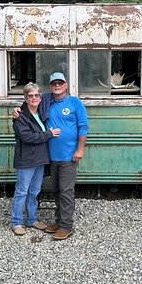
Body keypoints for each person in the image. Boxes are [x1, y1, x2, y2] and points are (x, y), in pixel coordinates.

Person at [39, 73, 89, 240]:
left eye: (60, 83)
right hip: (52, 156)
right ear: (50, 86)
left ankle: (67, 226)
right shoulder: (46, 101)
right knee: (56, 190)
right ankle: (59, 221)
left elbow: (83, 127)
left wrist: (79, 150)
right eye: (54, 83)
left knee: (66, 191)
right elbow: (29, 104)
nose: (57, 86)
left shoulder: (75, 102)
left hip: (69, 156)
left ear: (66, 85)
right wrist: (17, 110)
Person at [11, 82, 61, 236]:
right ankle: (16, 222)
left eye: (36, 95)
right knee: (22, 192)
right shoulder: (20, 117)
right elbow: (27, 137)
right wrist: (49, 134)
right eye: (30, 95)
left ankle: (31, 220)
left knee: (34, 191)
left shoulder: (41, 113)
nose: (34, 98)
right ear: (26, 98)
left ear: (40, 97)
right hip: (26, 160)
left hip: (39, 159)